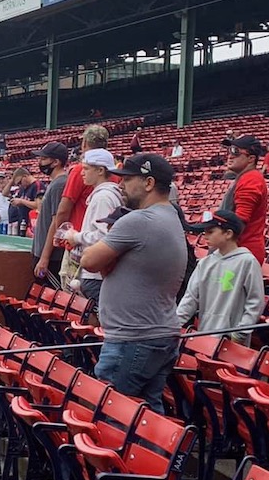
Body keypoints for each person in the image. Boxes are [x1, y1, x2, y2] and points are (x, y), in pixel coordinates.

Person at [80, 153, 188, 402]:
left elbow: (88, 260)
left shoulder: (139, 220)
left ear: (148, 183)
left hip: (134, 339)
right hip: (156, 334)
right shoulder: (170, 215)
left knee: (115, 416)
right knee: (147, 418)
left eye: (128, 179)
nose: (121, 185)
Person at [177, 210, 265, 342]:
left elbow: (255, 301)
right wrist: (175, 325)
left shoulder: (247, 262)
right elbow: (190, 298)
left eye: (210, 232)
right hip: (205, 335)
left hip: (232, 340)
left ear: (228, 233)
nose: (205, 236)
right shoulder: (204, 263)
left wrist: (240, 332)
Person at [39, 125, 111, 282]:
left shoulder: (80, 170)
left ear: (84, 143)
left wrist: (61, 236)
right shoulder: (112, 170)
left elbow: (63, 210)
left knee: (73, 295)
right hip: (103, 248)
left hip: (78, 242)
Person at [57, 148, 122, 312]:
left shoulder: (103, 197)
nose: (82, 173)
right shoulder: (102, 194)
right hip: (95, 273)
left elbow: (105, 236)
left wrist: (76, 237)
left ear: (100, 170)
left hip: (96, 275)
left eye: (86, 169)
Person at [217, 135, 269, 264]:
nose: (230, 156)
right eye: (229, 151)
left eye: (236, 152)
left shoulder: (250, 180)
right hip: (240, 253)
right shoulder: (247, 177)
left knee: (227, 285)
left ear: (251, 158)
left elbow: (239, 221)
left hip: (241, 254)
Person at [27, 142, 71, 280]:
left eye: (44, 159)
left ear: (56, 162)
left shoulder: (60, 184)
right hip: (43, 254)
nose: (39, 162)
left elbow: (56, 222)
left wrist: (45, 258)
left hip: (51, 258)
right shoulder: (54, 183)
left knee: (49, 297)